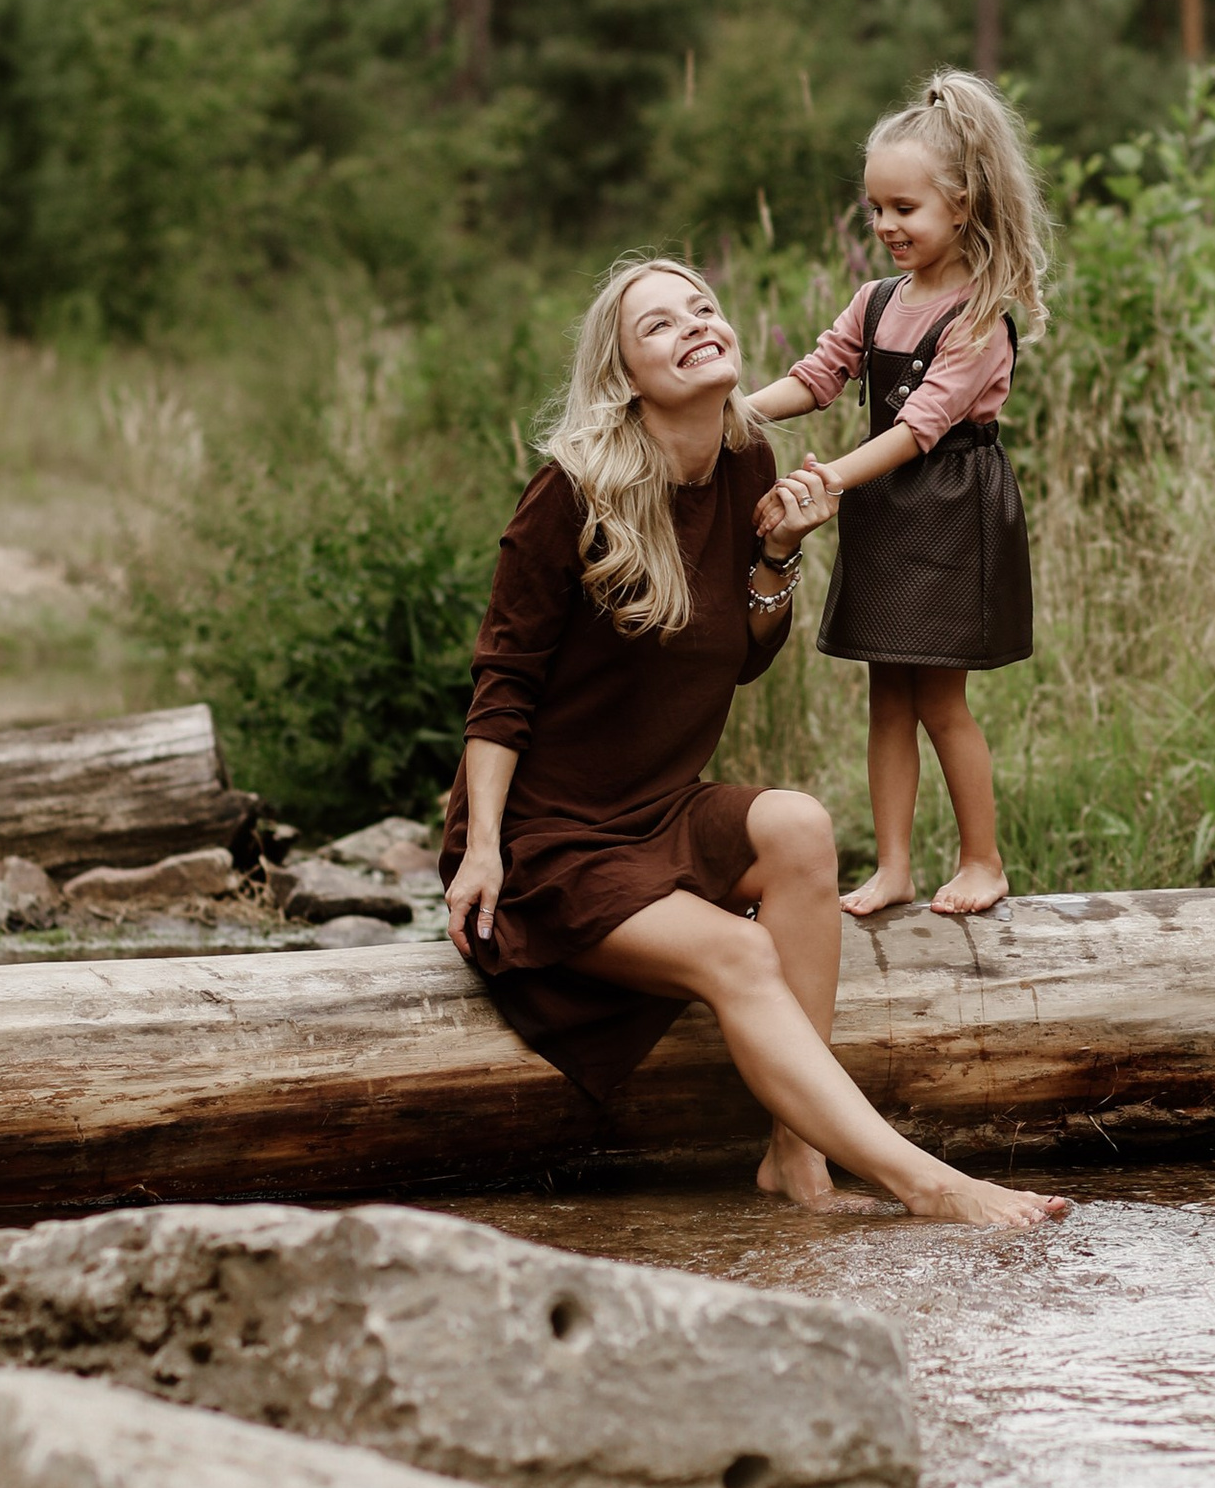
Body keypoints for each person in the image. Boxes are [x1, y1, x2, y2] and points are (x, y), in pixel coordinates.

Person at [439, 254, 1065, 1228]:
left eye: (703, 306)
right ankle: (925, 1184)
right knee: (737, 953)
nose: (694, 323)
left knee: (802, 829)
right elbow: (502, 687)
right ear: (622, 377)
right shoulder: (567, 495)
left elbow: (739, 659)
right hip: (549, 843)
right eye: (658, 325)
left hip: (656, 812)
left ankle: (794, 1162)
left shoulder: (744, 464)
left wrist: (775, 554)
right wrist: (483, 848)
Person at [744, 69, 1046, 921]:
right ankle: (895, 868)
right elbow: (818, 376)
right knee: (887, 692)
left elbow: (920, 428)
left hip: (950, 511)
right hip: (886, 509)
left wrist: (829, 476)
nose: (885, 227)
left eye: (904, 210)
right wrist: (737, 409)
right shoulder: (876, 302)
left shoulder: (979, 316)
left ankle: (983, 859)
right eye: (876, 210)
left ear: (963, 205)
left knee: (941, 699)